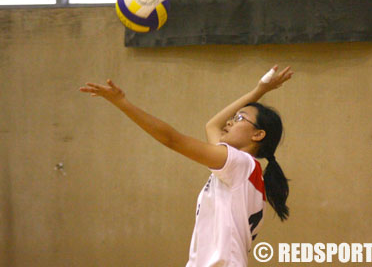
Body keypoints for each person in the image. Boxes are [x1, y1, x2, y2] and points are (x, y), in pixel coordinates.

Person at [79, 64, 293, 266]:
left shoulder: (239, 163)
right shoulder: (244, 170)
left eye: (238, 118)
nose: (229, 121)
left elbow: (172, 139)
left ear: (258, 134)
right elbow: (213, 125)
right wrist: (259, 91)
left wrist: (123, 103)